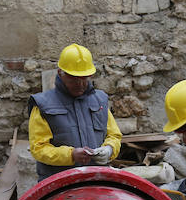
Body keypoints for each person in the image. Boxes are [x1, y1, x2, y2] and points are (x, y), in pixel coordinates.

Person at [28, 43, 122, 181]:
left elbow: (114, 135)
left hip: (97, 180)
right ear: (60, 73)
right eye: (74, 79)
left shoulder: (99, 100)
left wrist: (109, 149)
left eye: (84, 78)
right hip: (58, 184)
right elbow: (38, 148)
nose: (80, 84)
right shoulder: (43, 105)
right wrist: (71, 155)